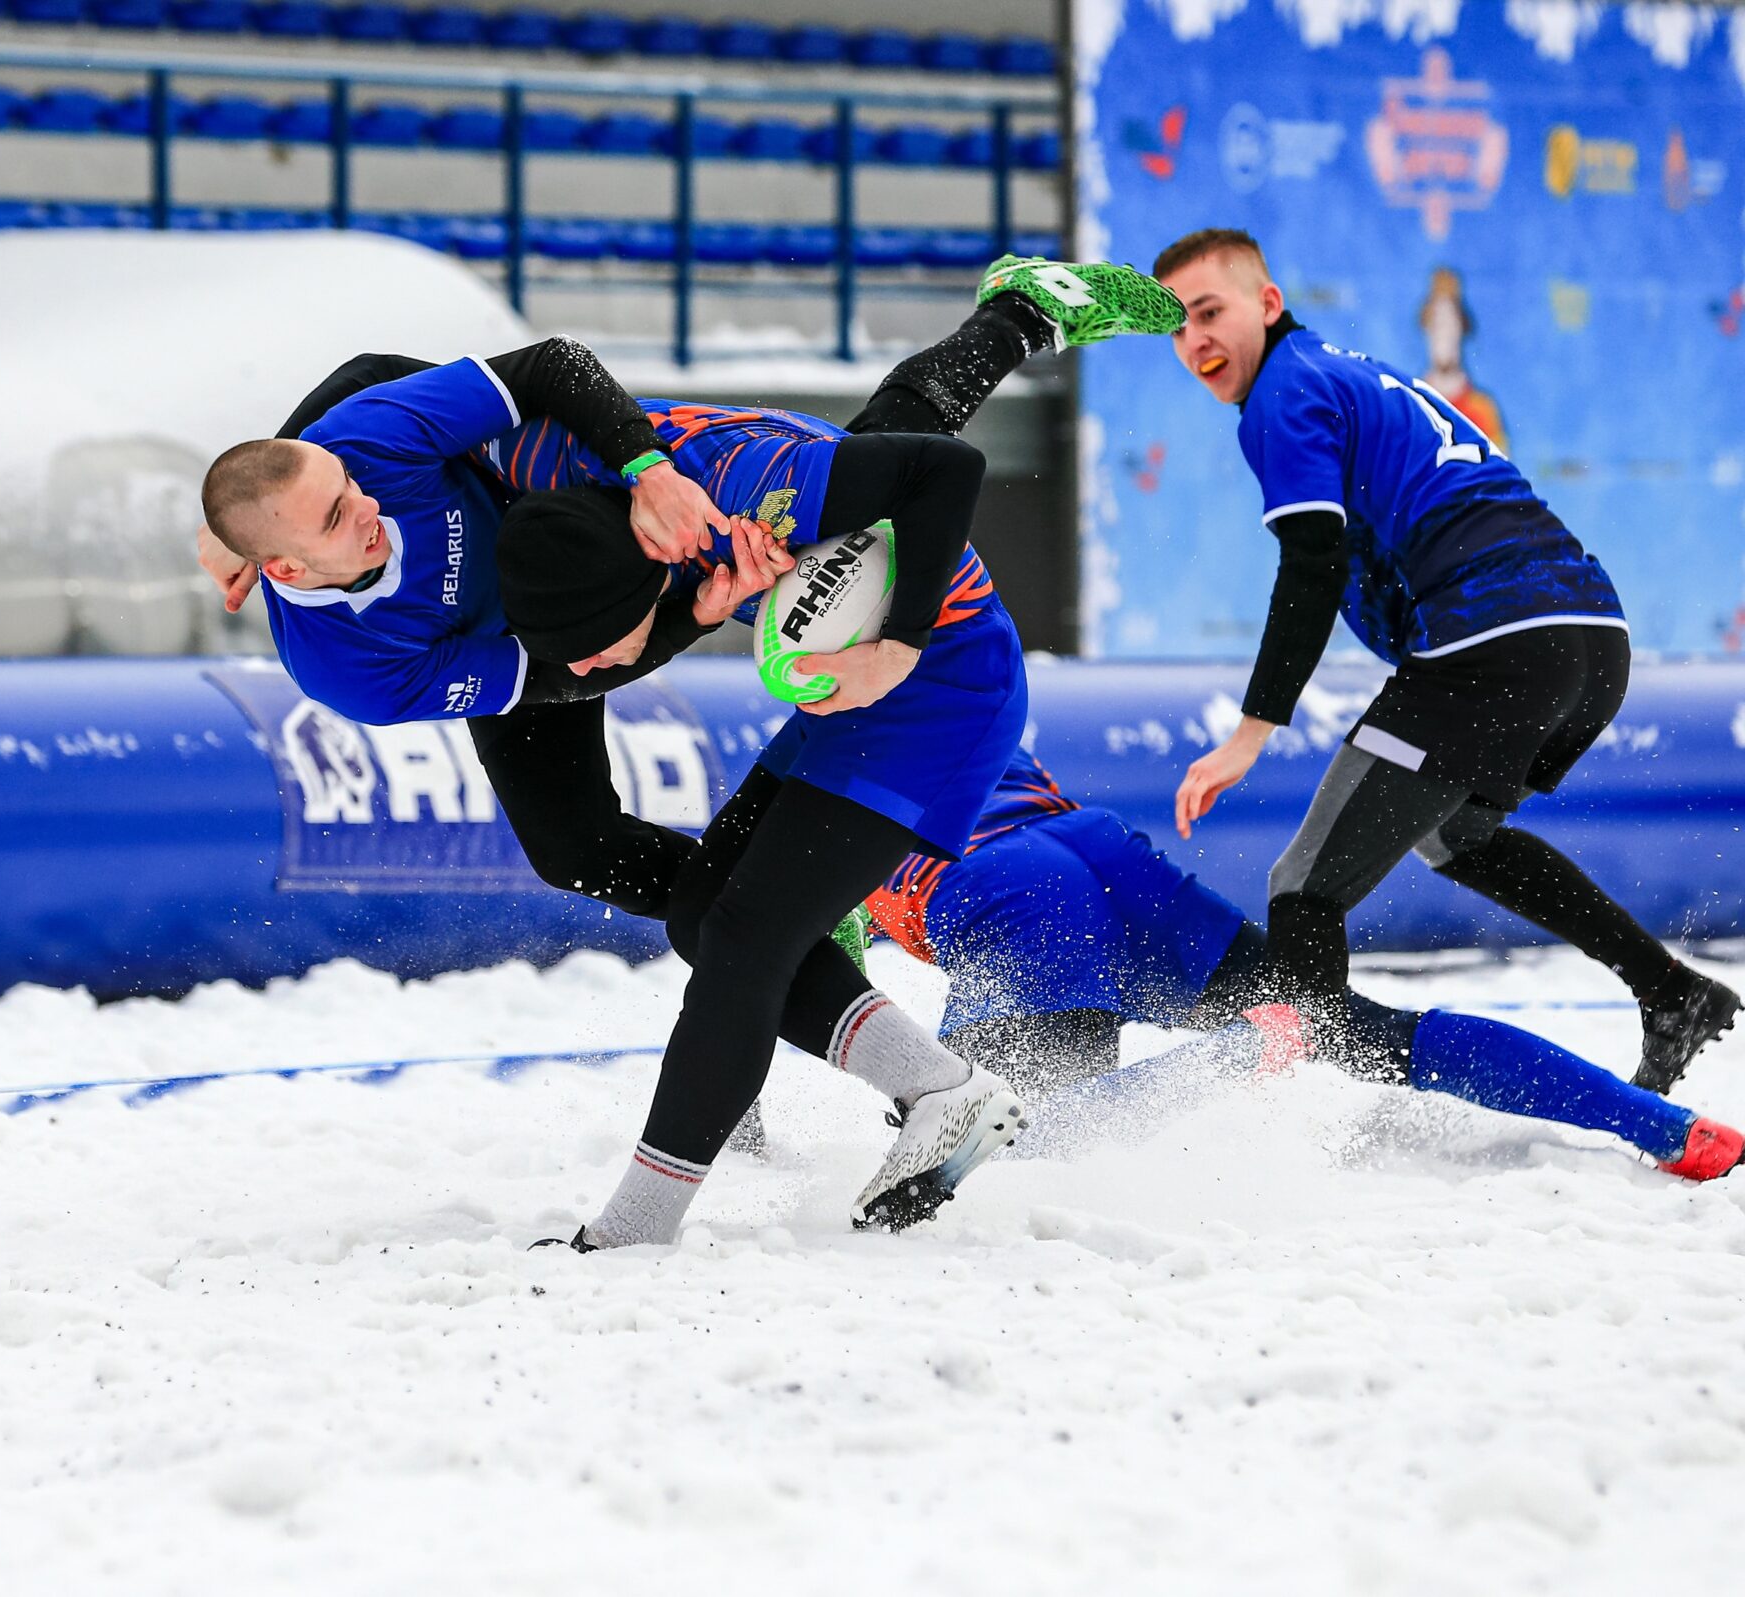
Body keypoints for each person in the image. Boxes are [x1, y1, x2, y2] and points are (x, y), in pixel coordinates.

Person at [195, 253, 1188, 1244]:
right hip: (555, 614)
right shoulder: (348, 661)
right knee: (597, 857)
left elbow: (504, 368)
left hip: (628, 540)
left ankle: (1021, 314)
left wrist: (650, 479)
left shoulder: (386, 446)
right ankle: (836, 989)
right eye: (328, 517)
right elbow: (559, 668)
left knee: (857, 491)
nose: (360, 503)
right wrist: (664, 628)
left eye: (343, 488)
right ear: (282, 564)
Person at [1153, 228, 1737, 1096]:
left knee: (1303, 889)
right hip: (1590, 636)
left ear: (1267, 305)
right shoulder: (1347, 371)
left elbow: (1312, 565)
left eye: (1209, 312)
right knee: (1455, 834)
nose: (1195, 339)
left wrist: (1250, 733)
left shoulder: (1285, 392)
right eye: (1176, 325)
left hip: (1494, 642)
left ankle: (1303, 1126)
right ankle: (1671, 991)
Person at [862, 746, 1744, 1181]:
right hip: (1103, 851)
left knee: (1004, 1150)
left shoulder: (811, 785)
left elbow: (796, 976)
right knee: (1373, 1032)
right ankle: (1668, 1129)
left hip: (1007, 889)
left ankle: (1244, 1050)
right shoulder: (949, 693)